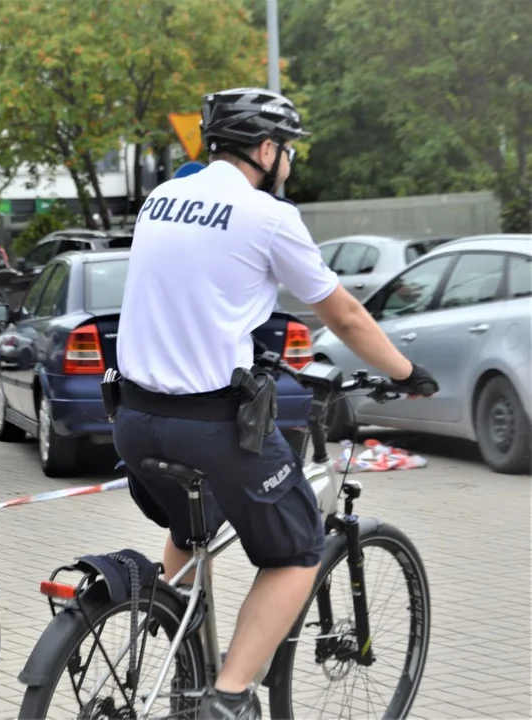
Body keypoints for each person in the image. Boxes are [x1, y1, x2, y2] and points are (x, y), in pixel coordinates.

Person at [111, 87, 439, 720]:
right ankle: (229, 698)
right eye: (286, 150)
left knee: (190, 528)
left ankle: (176, 649)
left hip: (131, 420)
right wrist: (407, 372)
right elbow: (342, 313)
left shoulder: (161, 200)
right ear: (265, 150)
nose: (289, 161)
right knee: (296, 554)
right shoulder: (268, 216)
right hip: (210, 426)